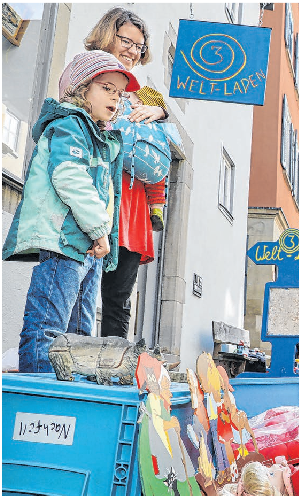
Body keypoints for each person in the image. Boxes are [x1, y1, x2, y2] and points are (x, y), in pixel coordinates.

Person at [3, 51, 138, 372]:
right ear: (80, 88)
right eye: (107, 88)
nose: (115, 98)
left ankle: (71, 398)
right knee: (48, 328)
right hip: (64, 240)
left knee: (80, 335)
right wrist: (99, 229)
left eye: (119, 93)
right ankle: (37, 394)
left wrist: (100, 235)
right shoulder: (70, 125)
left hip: (87, 246)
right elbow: (69, 175)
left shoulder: (99, 136)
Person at [81, 8, 170, 339]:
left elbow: (164, 128)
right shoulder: (85, 71)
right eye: (127, 41)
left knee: (118, 300)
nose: (133, 51)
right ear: (108, 34)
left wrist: (160, 111)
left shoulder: (144, 92)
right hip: (93, 200)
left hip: (131, 212)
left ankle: (112, 369)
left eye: (140, 46)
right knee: (79, 293)